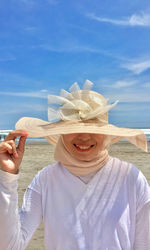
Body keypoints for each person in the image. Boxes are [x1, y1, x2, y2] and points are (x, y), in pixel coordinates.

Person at [0, 80, 149, 250]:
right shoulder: (46, 180)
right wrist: (7, 177)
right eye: (73, 128)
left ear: (106, 133)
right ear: (61, 132)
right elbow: (9, 246)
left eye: (94, 129)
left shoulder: (131, 178)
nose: (84, 137)